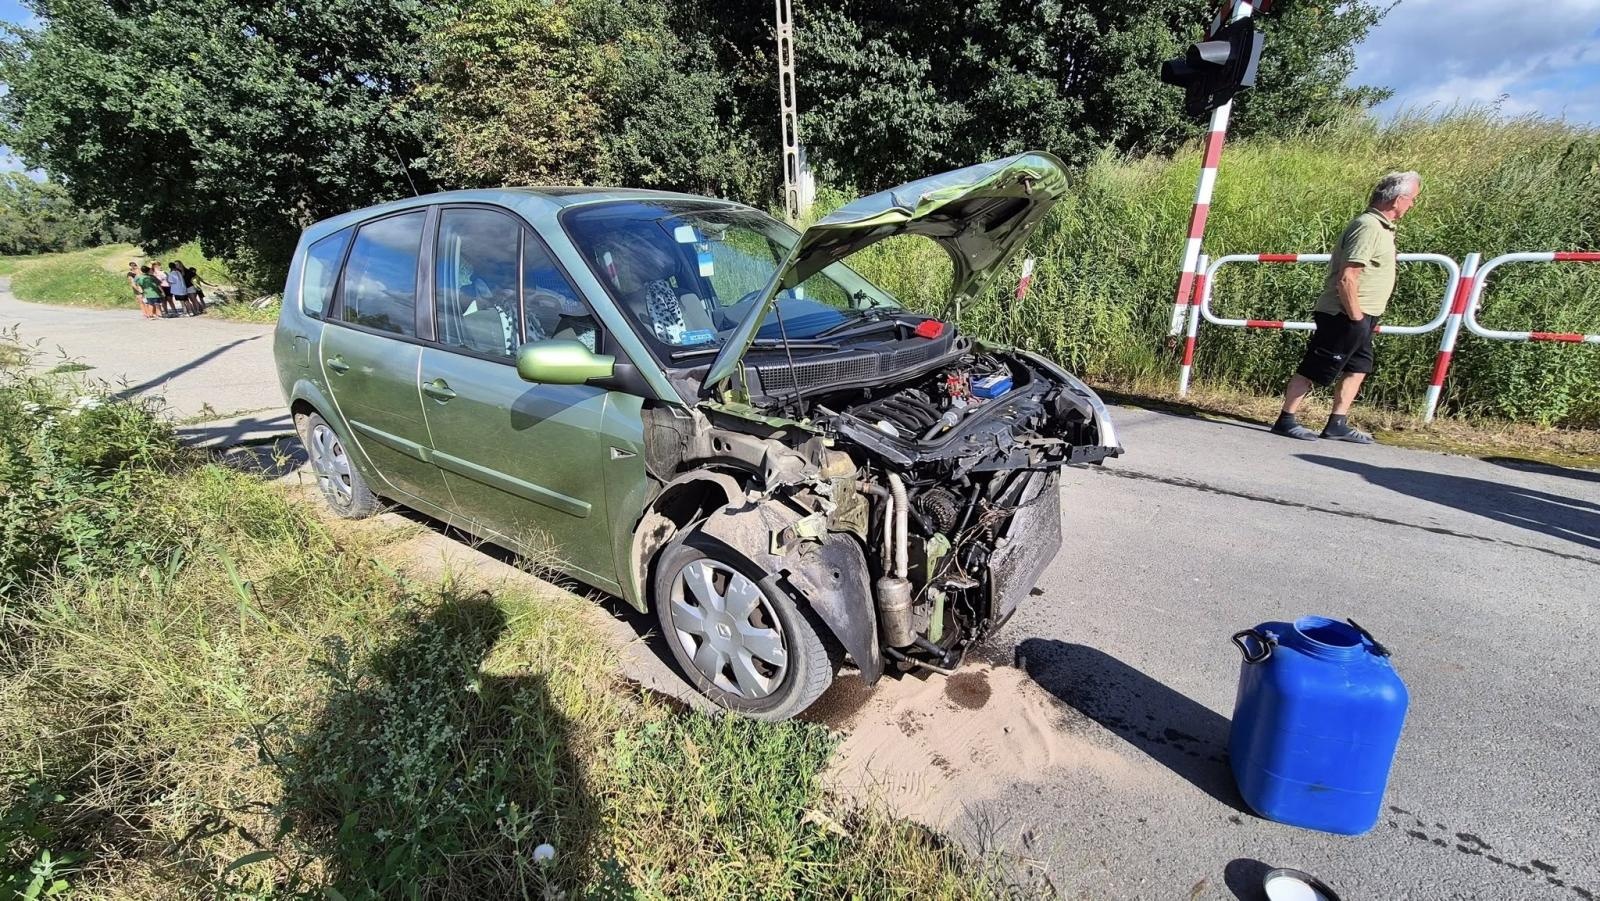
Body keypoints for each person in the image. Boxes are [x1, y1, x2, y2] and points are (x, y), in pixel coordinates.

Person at [1271, 171, 1421, 444]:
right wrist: (1355, 316)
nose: (1413, 205)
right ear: (1399, 199)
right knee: (1317, 366)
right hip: (1345, 312)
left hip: (1362, 314)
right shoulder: (1368, 226)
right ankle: (1286, 419)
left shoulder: (1382, 227)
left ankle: (1337, 423)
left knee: (1359, 366)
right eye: (1413, 199)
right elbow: (1347, 276)